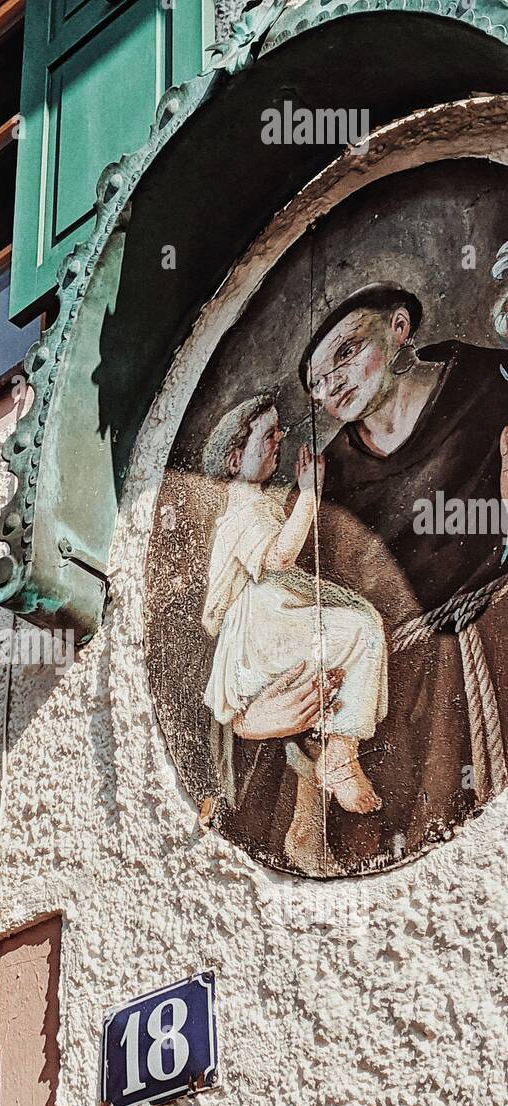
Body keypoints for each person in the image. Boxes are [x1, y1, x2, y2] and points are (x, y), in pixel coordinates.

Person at [218, 283, 508, 874]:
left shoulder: (487, 383)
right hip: (398, 733)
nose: (334, 386)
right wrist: (254, 718)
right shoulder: (331, 489)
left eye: (347, 353)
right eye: (319, 382)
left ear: (399, 328)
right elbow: (285, 628)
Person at [201, 394, 387, 813]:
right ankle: (339, 757)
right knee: (360, 629)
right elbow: (279, 558)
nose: (279, 441)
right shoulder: (242, 512)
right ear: (235, 462)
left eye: (278, 432)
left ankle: (336, 751)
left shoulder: (258, 504)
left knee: (362, 625)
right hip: (262, 626)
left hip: (275, 617)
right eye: (267, 436)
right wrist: (308, 494)